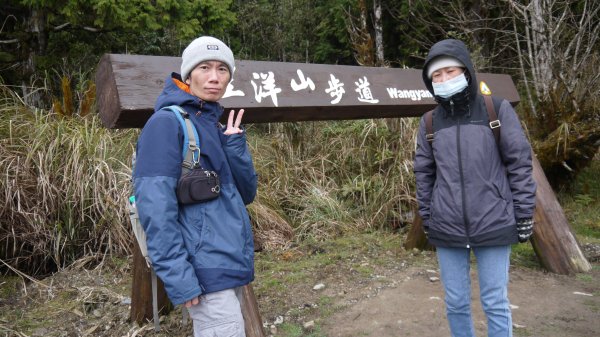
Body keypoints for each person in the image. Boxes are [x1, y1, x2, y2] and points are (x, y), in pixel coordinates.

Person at [133, 36, 257, 337]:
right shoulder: (166, 124)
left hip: (229, 263)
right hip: (203, 272)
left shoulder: (213, 125)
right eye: (205, 67)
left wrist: (234, 144)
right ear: (188, 74)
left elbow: (246, 194)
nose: (215, 77)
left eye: (222, 69)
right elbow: (155, 210)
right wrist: (179, 277)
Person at [414, 39, 536, 337]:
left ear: (466, 71)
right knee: (455, 303)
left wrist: (523, 215)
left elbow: (519, 164)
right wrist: (428, 218)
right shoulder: (429, 122)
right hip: (447, 226)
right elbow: (424, 175)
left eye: (450, 71)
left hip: (494, 220)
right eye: (436, 76)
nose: (443, 80)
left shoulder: (496, 110)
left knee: (495, 302)